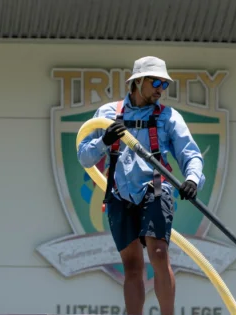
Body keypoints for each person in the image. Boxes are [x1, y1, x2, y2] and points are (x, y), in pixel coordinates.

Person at [77, 56, 204, 315]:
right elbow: (85, 156)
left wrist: (191, 179)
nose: (160, 88)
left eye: (164, 84)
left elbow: (190, 154)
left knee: (158, 252)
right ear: (137, 82)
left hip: (155, 189)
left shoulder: (168, 117)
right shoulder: (107, 115)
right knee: (132, 266)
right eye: (155, 81)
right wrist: (105, 141)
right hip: (119, 194)